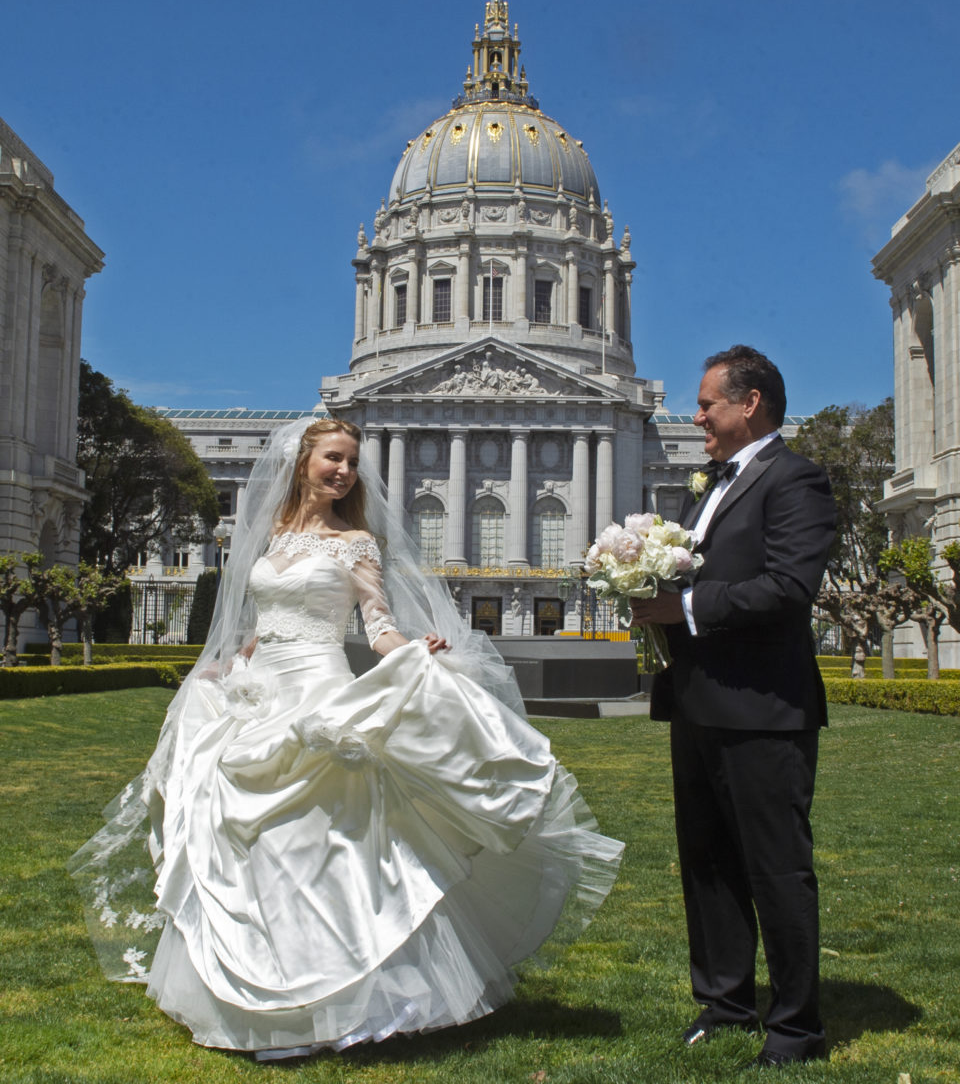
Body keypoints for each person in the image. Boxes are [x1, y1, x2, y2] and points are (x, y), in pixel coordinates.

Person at [69, 418, 622, 1059]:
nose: (345, 471)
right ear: (301, 461)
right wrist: (225, 671)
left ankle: (357, 993)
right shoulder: (269, 536)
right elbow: (259, 626)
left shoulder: (357, 543)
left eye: (353, 462)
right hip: (261, 693)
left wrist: (413, 649)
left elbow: (377, 624)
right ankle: (266, 977)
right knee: (251, 840)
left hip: (320, 692)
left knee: (326, 837)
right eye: (334, 457)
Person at [631, 347, 836, 1070]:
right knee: (708, 863)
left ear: (750, 404)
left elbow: (787, 588)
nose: (697, 417)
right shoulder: (708, 484)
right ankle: (724, 1002)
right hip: (699, 701)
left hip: (763, 706)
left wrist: (680, 605)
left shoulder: (796, 480)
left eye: (708, 404)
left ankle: (795, 1028)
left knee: (775, 868)